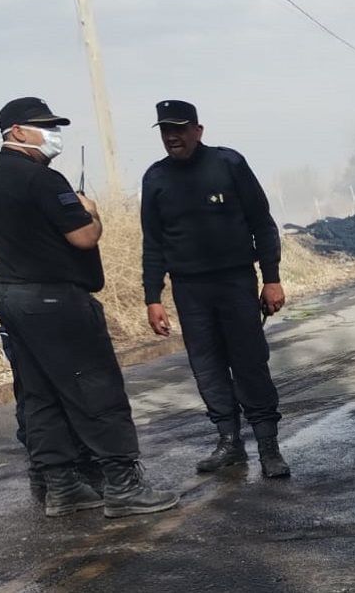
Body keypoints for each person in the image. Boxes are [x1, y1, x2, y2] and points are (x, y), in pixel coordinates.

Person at [0, 97, 179, 518]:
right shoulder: (44, 180)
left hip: (12, 297)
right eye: (44, 126)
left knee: (40, 395)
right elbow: (83, 238)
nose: (53, 133)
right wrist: (92, 212)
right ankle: (122, 487)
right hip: (56, 301)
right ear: (16, 132)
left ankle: (62, 489)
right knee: (95, 388)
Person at [141, 100, 290, 479]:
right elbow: (153, 243)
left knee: (249, 363)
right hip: (189, 290)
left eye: (179, 128)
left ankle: (269, 446)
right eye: (165, 131)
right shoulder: (155, 178)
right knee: (206, 368)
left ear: (198, 130)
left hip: (235, 282)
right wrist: (152, 297)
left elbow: (262, 222)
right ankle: (229, 442)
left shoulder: (228, 164)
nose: (172, 136)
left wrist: (271, 277)